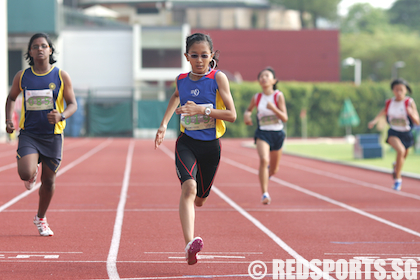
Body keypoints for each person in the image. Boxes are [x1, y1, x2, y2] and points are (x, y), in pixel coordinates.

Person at [154, 33, 236, 265]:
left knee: (200, 199)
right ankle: (190, 244)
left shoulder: (218, 79)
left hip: (211, 146)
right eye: (194, 55)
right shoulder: (181, 79)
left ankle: (198, 206)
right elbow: (175, 96)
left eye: (204, 55)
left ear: (211, 56)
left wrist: (201, 110)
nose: (199, 60)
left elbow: (232, 115)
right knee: (188, 188)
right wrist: (163, 125)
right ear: (186, 56)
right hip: (186, 142)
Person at [5, 33, 77, 236]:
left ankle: (41, 217)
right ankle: (31, 170)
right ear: (30, 52)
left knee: (49, 182)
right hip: (29, 134)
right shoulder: (22, 76)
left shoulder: (61, 76)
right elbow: (10, 99)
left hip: (52, 136)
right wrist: (9, 120)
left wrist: (62, 115)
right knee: (25, 174)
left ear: (50, 50)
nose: (40, 49)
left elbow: (73, 104)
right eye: (35, 46)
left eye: (44, 46)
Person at [244, 67, 288, 205]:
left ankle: (265, 176)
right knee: (264, 160)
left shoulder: (278, 96)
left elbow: (285, 118)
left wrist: (274, 108)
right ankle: (265, 194)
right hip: (262, 133)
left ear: (274, 80)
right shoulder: (257, 97)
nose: (264, 78)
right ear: (259, 81)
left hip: (277, 134)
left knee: (274, 169)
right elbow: (249, 110)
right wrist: (247, 115)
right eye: (261, 76)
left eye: (267, 76)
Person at [368, 78, 419, 191]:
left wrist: (411, 113)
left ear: (406, 90)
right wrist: (374, 121)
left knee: (402, 157)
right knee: (400, 151)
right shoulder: (389, 103)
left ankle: (396, 166)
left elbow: (417, 121)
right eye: (396, 90)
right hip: (394, 132)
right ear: (393, 90)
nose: (399, 92)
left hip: (407, 133)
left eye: (401, 90)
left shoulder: (409, 102)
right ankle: (398, 180)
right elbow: (383, 112)